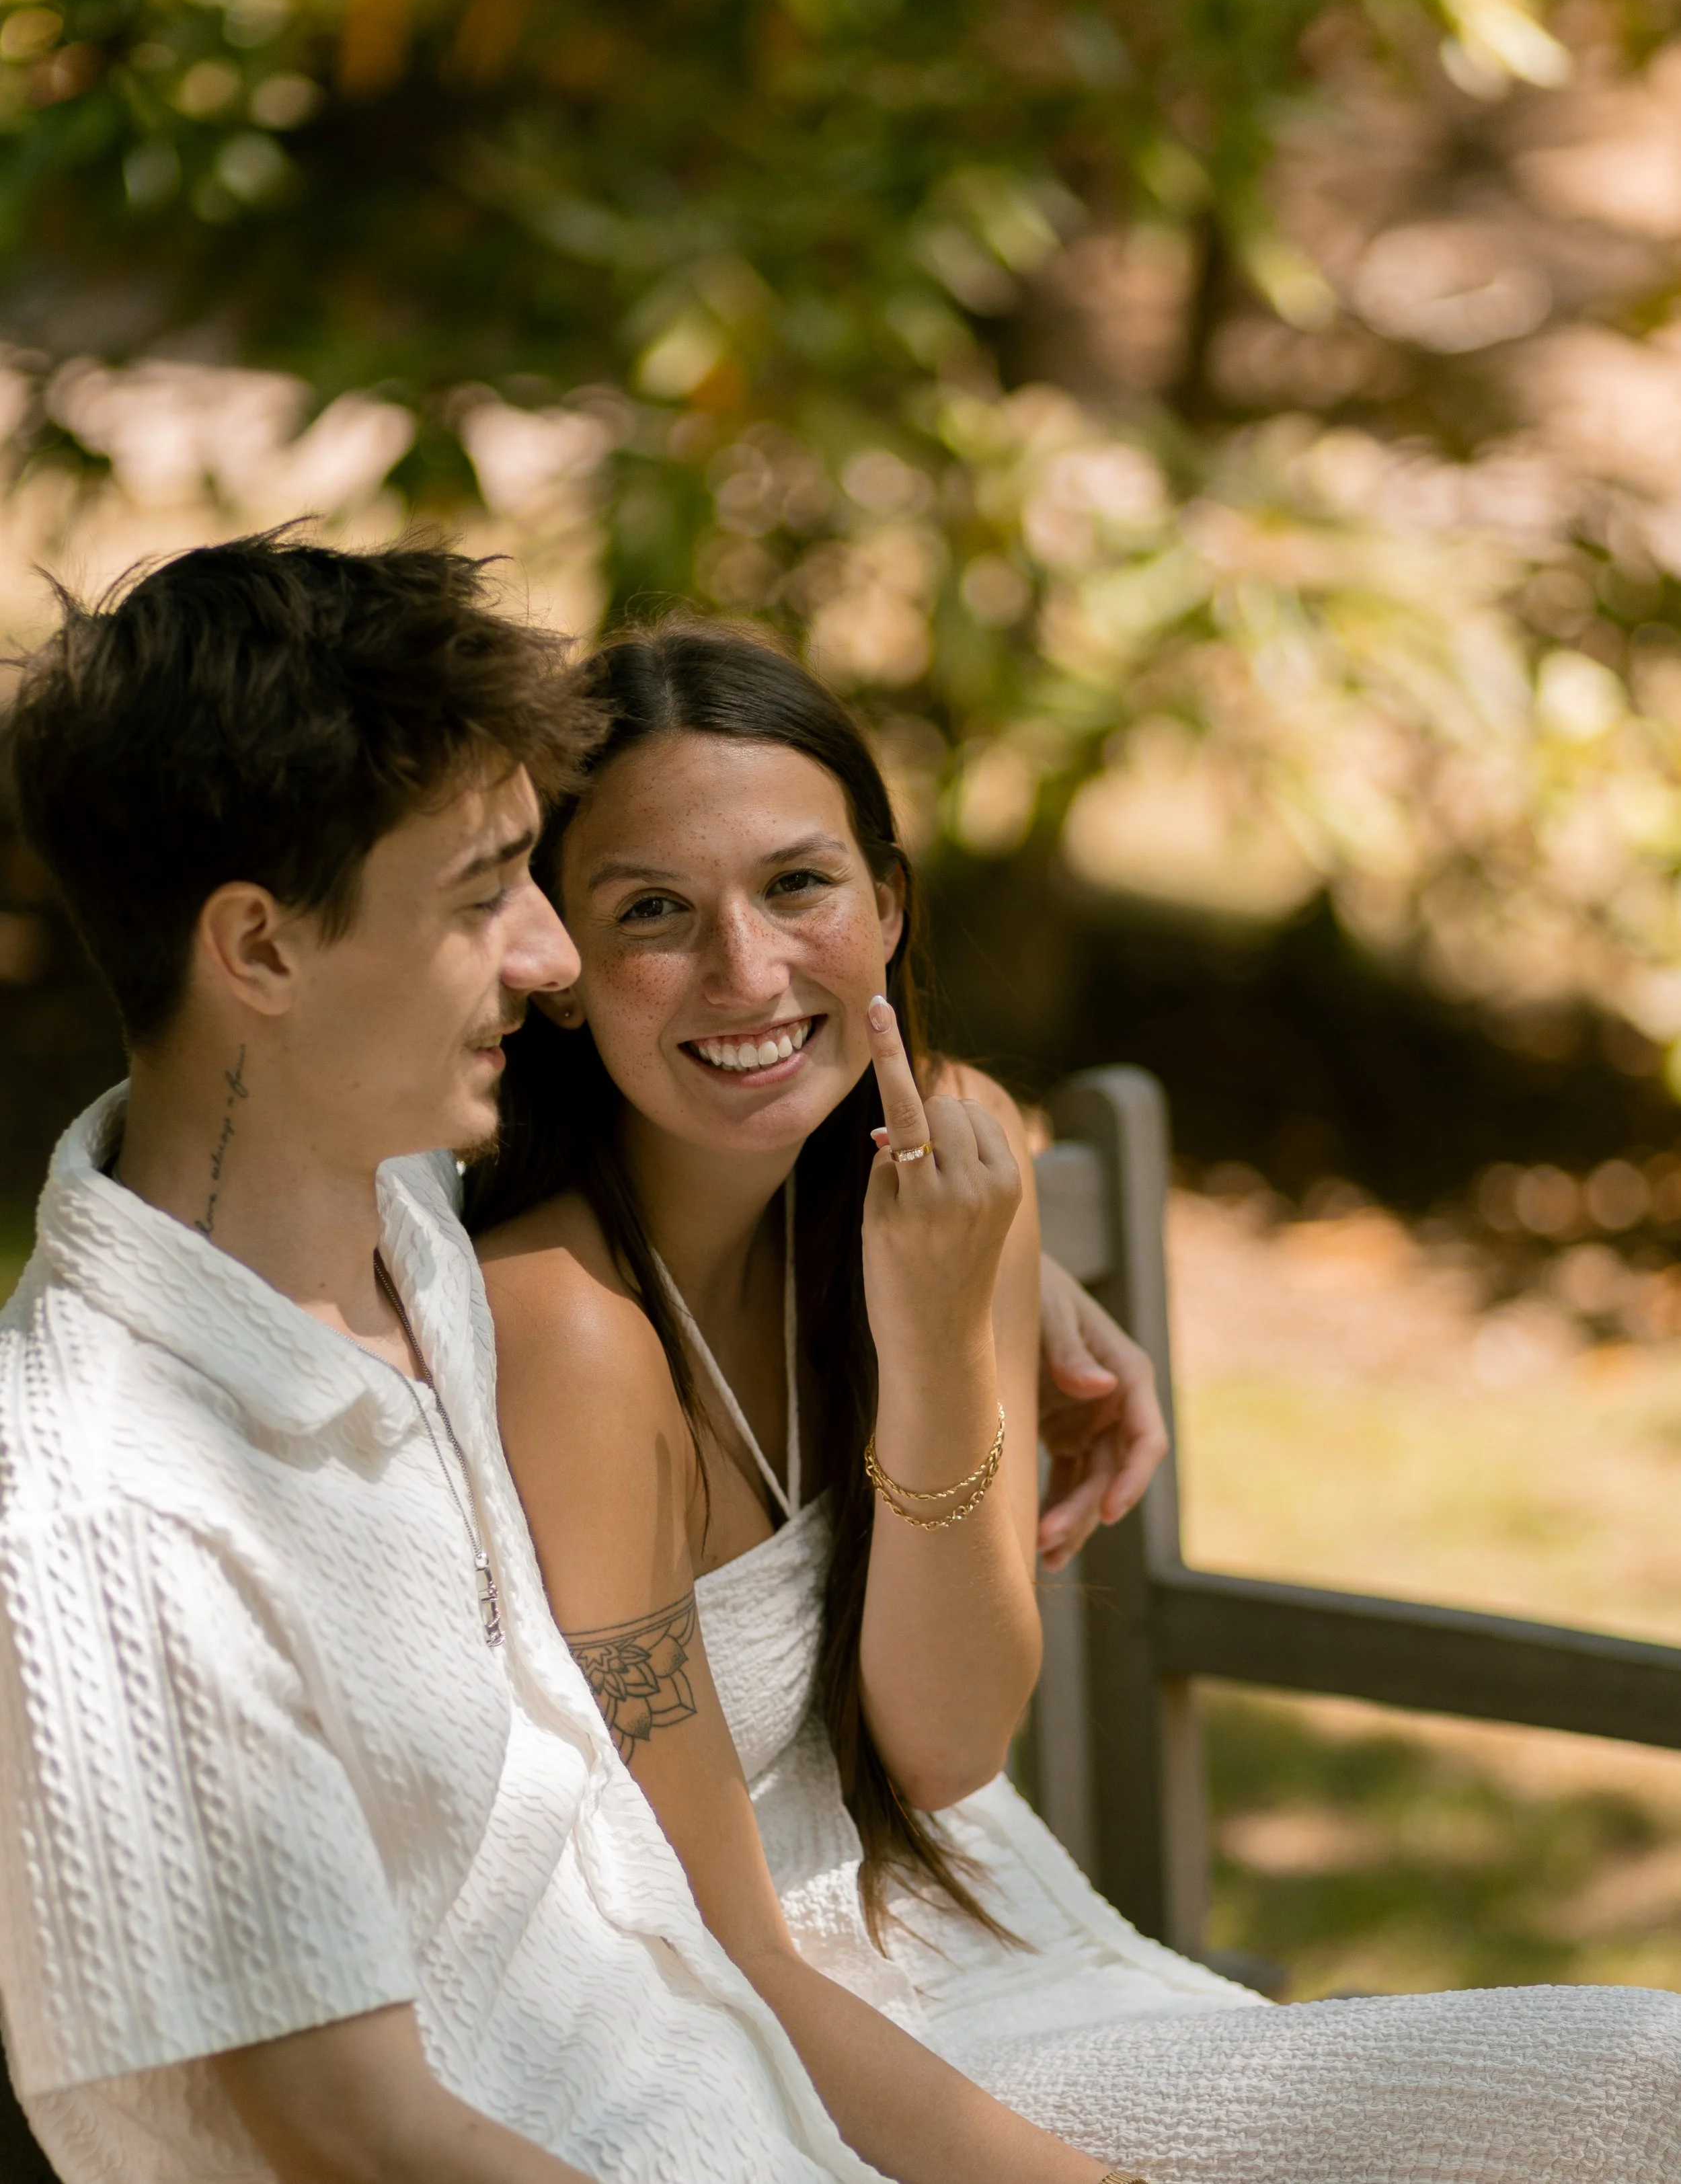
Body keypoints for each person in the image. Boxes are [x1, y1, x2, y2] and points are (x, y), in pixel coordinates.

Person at [471, 617, 1681, 2184]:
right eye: (652, 911)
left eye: (797, 885)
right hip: (734, 2058)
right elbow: (710, 1953)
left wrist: (934, 1329)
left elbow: (947, 1747)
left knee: (1646, 2080)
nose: (747, 969)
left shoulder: (949, 1165)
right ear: (557, 972)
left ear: (887, 907)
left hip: (996, 1957)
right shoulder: (563, 1327)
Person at [0, 535, 1120, 2184]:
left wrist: (1005, 1288)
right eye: (486, 900)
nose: (546, 960)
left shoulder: (393, 1241)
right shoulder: (120, 1514)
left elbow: (763, 1047)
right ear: (259, 953)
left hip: (765, 2098)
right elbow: (359, 2141)